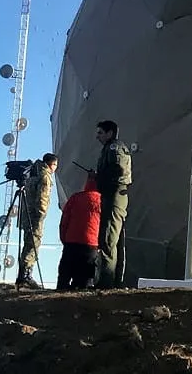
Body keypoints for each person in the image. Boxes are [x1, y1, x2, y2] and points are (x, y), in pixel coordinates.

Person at [94, 120, 132, 289]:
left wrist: (101, 176)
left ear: (110, 133)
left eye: (100, 133)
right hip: (113, 195)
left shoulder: (113, 148)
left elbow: (119, 169)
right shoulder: (110, 148)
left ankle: (106, 282)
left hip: (114, 194)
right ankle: (113, 281)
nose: (97, 136)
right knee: (113, 239)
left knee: (109, 239)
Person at [17, 152, 57, 289]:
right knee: (33, 243)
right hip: (35, 216)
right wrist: (41, 215)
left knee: (27, 242)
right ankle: (26, 275)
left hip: (26, 213)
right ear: (51, 164)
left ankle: (22, 274)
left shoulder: (32, 172)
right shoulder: (45, 176)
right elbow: (43, 199)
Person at [57, 171, 101, 290]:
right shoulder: (102, 200)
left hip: (71, 241)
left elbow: (64, 220)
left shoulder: (76, 197)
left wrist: (64, 239)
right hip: (91, 244)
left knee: (64, 277)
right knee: (84, 280)